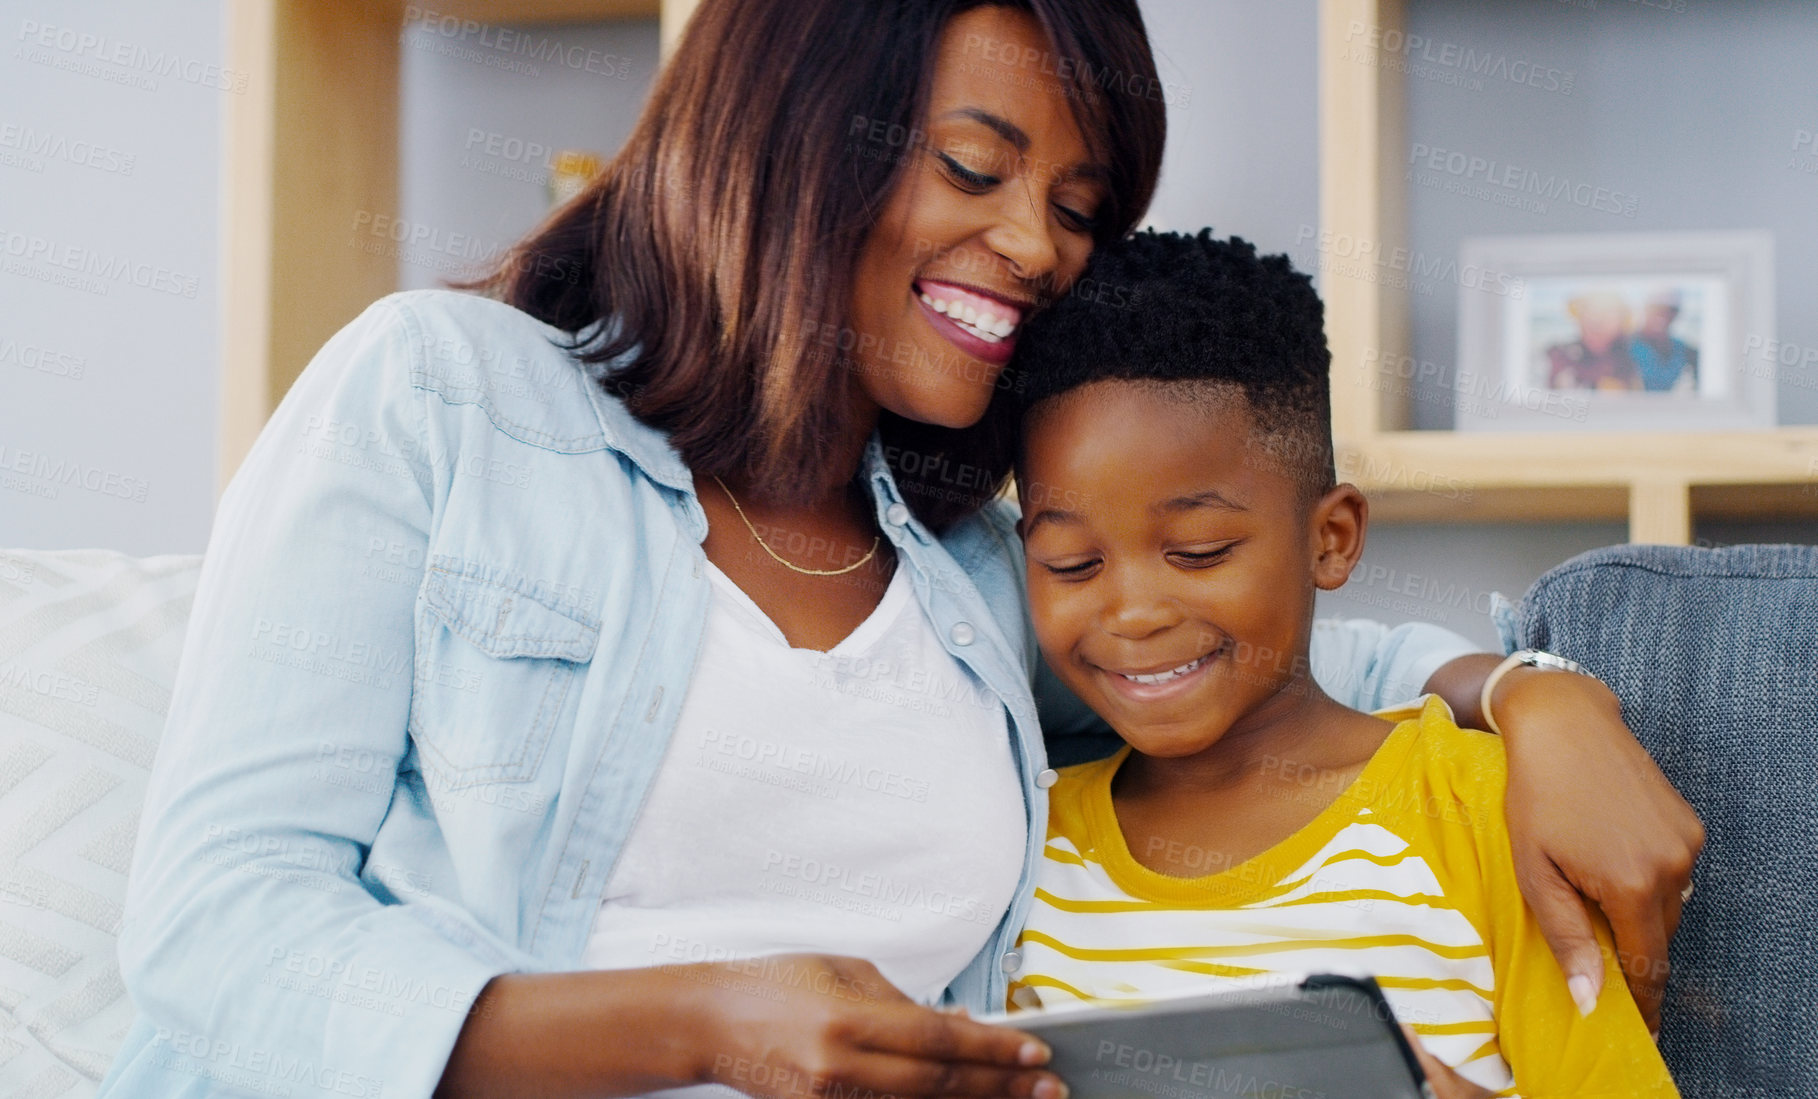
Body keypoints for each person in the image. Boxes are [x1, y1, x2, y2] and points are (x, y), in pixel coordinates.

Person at [98, 2, 1700, 1097]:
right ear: (789, 128)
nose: (1034, 247)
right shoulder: (440, 393)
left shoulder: (968, 558)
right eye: (972, 167)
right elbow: (214, 925)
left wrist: (1541, 693)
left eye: (1076, 203)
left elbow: (1276, 645)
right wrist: (713, 1018)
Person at [1004, 230, 1679, 1097]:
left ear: (1332, 538)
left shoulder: (1487, 810)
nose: (1132, 612)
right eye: (1071, 564)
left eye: (1201, 551)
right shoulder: (1028, 846)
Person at [1546, 290, 1640, 390]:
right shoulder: (1559, 356)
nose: (1596, 321)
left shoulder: (1637, 357)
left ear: (1621, 322)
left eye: (1607, 313)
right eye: (1589, 312)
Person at [1630, 289, 1700, 392]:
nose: (1663, 314)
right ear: (1645, 308)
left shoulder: (1687, 352)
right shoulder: (1622, 348)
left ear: (1677, 313)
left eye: (1670, 310)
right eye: (1656, 308)